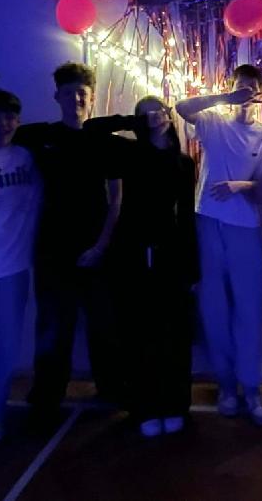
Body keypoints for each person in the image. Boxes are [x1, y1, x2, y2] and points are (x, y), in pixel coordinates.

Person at [13, 63, 125, 426]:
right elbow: (4, 131)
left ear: (91, 98)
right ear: (57, 96)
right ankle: (46, 398)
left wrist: (101, 246)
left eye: (82, 93)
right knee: (52, 328)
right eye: (68, 93)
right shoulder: (40, 137)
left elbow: (116, 199)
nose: (75, 99)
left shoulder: (104, 140)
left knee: (103, 325)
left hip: (97, 248)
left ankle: (111, 388)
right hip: (52, 250)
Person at [84, 96, 199, 437]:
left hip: (171, 254)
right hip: (132, 253)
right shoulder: (128, 153)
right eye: (145, 114)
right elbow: (91, 129)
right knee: (138, 332)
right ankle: (144, 407)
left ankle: (175, 404)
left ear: (169, 116)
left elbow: (187, 216)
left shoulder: (183, 162)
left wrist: (192, 266)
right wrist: (131, 122)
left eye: (158, 111)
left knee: (173, 333)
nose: (154, 117)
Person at [175, 64, 262, 426]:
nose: (245, 92)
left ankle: (252, 387)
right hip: (208, 222)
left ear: (261, 94)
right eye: (239, 87)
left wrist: (238, 186)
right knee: (214, 308)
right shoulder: (213, 121)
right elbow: (182, 108)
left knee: (249, 309)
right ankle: (227, 385)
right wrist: (225, 98)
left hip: (246, 227)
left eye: (251, 88)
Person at [0, 90, 40, 442]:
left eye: (9, 117)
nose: (3, 124)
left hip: (13, 270)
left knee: (7, 350)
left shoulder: (27, 157)